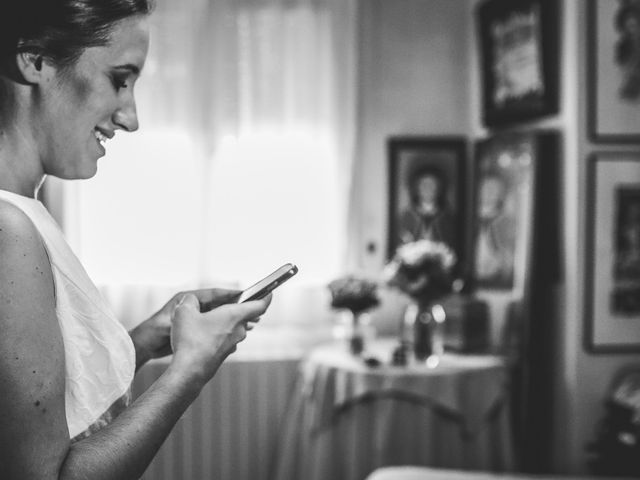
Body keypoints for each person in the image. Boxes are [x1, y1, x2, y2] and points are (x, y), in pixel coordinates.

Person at [0, 1, 272, 478]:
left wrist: (146, 339)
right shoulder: (10, 230)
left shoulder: (22, 215)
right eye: (119, 79)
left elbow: (38, 407)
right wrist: (191, 368)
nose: (131, 118)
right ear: (36, 59)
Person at [474, 171, 517, 288]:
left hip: (497, 280)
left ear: (502, 194)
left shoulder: (507, 222)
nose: (489, 193)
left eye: (495, 190)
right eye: (485, 188)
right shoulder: (469, 218)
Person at [396, 166, 455, 249]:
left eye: (432, 185)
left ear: (439, 188)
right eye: (424, 185)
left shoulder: (447, 216)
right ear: (417, 188)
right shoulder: (407, 216)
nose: (428, 189)